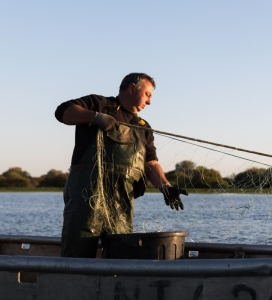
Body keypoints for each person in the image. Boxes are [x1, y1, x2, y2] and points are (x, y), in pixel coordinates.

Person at [54, 73, 187, 258]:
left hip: (120, 201)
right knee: (77, 250)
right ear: (132, 88)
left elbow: (151, 162)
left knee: (121, 252)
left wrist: (165, 186)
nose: (149, 102)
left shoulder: (143, 127)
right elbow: (62, 112)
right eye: (147, 94)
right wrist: (95, 117)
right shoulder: (98, 103)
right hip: (86, 196)